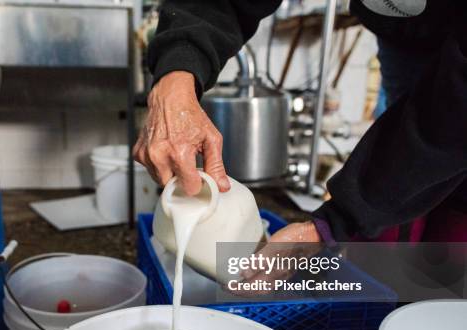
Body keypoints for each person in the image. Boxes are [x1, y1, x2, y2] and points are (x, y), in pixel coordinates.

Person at [134, 0, 467, 247]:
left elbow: (448, 121)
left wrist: (335, 223)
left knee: (445, 171)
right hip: (405, 34)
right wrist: (176, 74)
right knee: (409, 176)